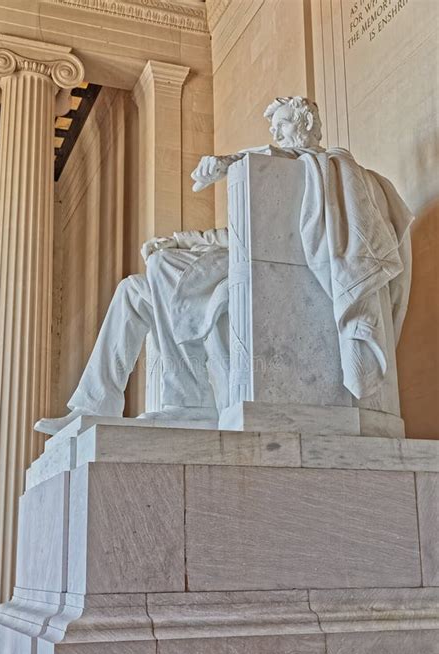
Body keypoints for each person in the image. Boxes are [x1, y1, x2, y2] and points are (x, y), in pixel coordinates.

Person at [36, 96, 413, 435]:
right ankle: (91, 405)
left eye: (282, 124)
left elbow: (280, 178)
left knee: (164, 268)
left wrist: (232, 161)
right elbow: (234, 235)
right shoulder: (285, 174)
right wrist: (181, 240)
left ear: (307, 125)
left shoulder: (324, 168)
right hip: (245, 265)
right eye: (274, 128)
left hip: (278, 277)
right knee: (133, 290)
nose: (277, 133)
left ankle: (191, 402)